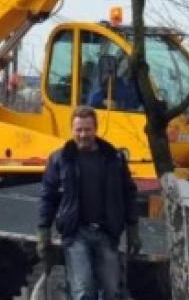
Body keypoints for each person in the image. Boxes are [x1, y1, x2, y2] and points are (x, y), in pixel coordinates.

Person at [39, 105, 141, 300]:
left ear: (96, 129)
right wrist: (43, 229)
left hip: (106, 232)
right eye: (79, 130)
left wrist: (133, 228)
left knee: (112, 291)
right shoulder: (60, 160)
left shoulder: (114, 159)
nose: (83, 135)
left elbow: (129, 194)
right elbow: (48, 196)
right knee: (83, 291)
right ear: (72, 130)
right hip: (75, 233)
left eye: (87, 129)